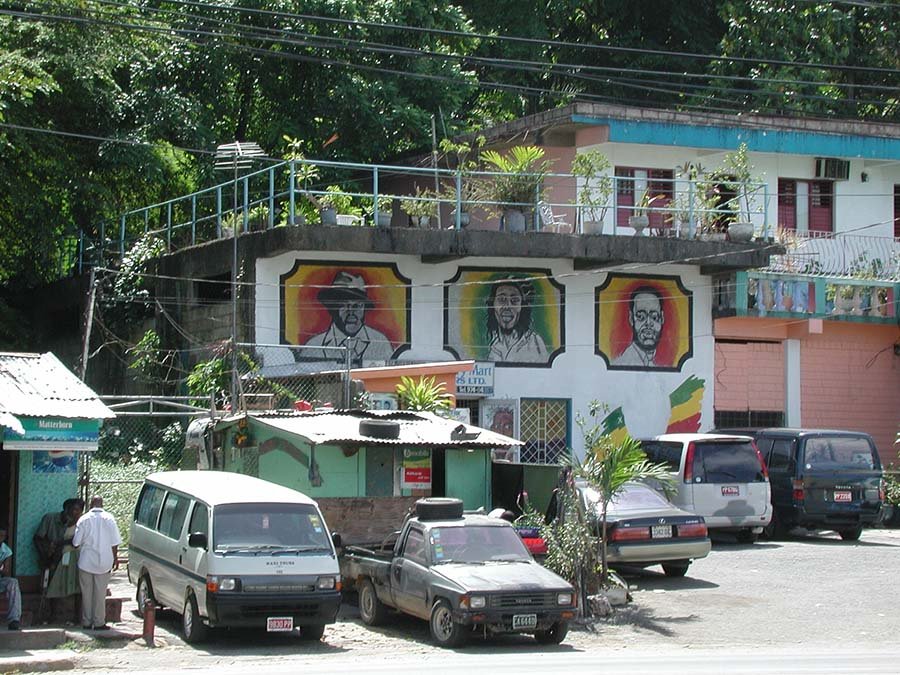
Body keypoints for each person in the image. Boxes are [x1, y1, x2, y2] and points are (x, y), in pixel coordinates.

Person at [304, 271, 395, 367]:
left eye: (357, 305)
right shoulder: (314, 346)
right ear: (332, 307)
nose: (351, 312)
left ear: (364, 308)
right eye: (344, 305)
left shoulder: (380, 342)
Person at [73, 496, 122, 630]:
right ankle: (99, 622)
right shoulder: (110, 519)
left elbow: (76, 542)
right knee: (100, 594)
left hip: (86, 562)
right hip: (104, 562)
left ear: (90, 505)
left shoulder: (83, 520)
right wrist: (115, 558)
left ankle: (87, 622)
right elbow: (115, 542)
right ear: (102, 504)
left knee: (86, 593)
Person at [485, 278, 548, 363]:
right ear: (492, 305)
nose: (507, 307)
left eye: (514, 300)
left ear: (522, 306)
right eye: (501, 299)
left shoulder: (535, 343)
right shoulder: (493, 345)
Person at [611, 286, 666, 368]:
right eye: (641, 316)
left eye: (654, 317)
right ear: (631, 319)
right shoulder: (622, 363)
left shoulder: (657, 363)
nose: (648, 323)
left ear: (662, 318)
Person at [0, 528, 22, 630]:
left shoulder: (6, 550)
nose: (0, 538)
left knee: (13, 582)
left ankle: (14, 620)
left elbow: (6, 571)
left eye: (2, 536)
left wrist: (2, 567)